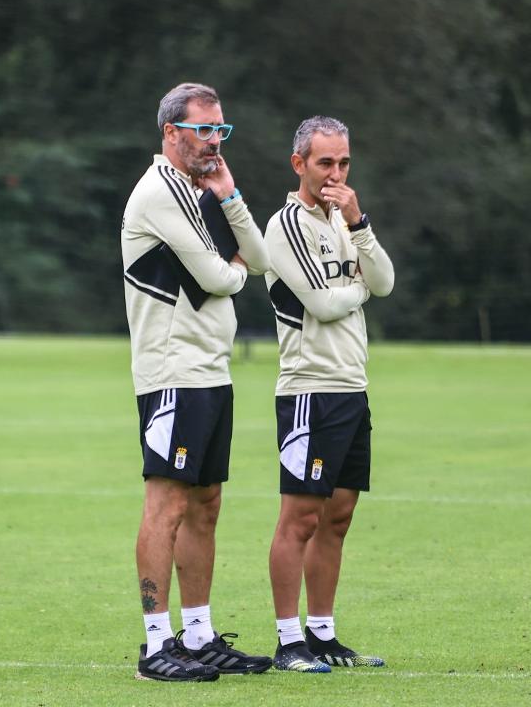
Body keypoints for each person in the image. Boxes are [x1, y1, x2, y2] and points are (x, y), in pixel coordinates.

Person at [121, 82, 274, 681]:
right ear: (170, 133)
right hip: (171, 370)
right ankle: (157, 646)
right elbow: (219, 276)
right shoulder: (159, 192)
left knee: (206, 502)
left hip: (210, 368)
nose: (214, 139)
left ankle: (199, 634)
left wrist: (230, 195)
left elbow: (258, 261)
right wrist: (233, 268)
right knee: (167, 503)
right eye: (204, 129)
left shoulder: (204, 191)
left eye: (221, 130)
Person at [262, 116, 394, 673]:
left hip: (351, 387)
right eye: (325, 163)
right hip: (309, 390)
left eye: (343, 163)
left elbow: (384, 281)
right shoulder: (285, 224)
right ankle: (288, 639)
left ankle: (322, 634)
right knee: (301, 516)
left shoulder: (346, 222)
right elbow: (321, 303)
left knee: (338, 516)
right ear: (299, 164)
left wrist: (359, 223)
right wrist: (357, 288)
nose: (335, 174)